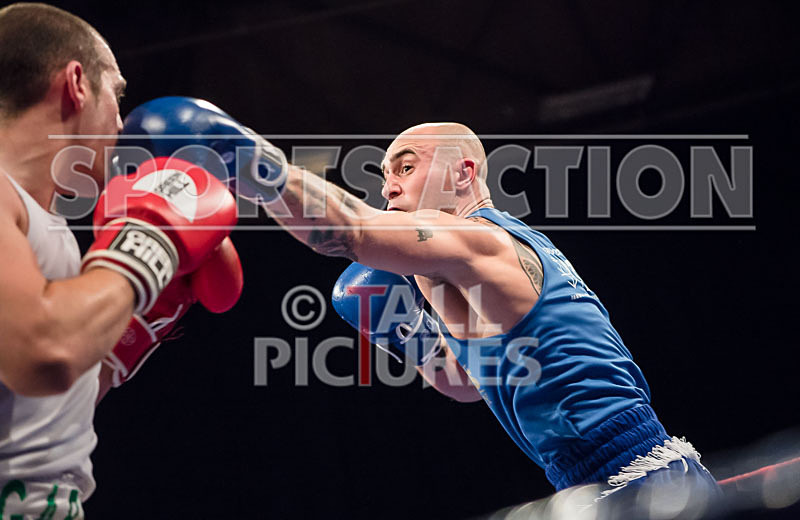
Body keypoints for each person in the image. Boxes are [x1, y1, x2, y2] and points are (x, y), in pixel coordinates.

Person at [120, 97, 723, 513]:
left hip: (636, 476)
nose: (389, 185)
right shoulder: (462, 268)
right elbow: (467, 382)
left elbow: (348, 228)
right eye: (384, 174)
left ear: (464, 173)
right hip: (597, 483)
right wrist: (409, 336)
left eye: (405, 166)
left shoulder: (477, 238)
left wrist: (239, 156)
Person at [0, 4, 241, 517]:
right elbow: (45, 352)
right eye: (118, 94)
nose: (120, 122)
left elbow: (42, 412)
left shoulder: (51, 232)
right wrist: (149, 242)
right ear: (76, 84)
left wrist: (127, 340)